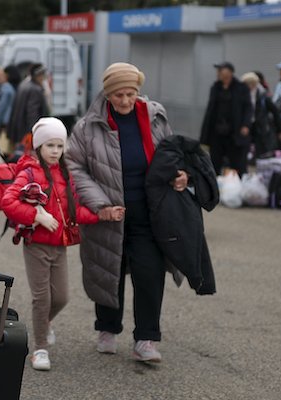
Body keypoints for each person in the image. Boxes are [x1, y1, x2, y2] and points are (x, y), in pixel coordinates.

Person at [66, 62, 189, 364]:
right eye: (118, 95)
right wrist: (100, 205)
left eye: (130, 94)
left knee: (150, 274)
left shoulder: (155, 116)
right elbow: (75, 167)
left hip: (149, 212)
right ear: (107, 95)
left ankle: (146, 339)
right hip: (109, 212)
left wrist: (179, 173)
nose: (124, 101)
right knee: (109, 271)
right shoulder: (87, 126)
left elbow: (172, 154)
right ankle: (107, 329)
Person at [1, 117, 111, 371]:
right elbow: (8, 203)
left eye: (59, 146)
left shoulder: (65, 173)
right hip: (36, 244)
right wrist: (36, 215)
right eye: (49, 145)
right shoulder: (28, 172)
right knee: (42, 299)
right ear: (38, 146)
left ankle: (43, 324)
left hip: (60, 245)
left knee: (61, 298)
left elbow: (72, 213)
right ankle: (40, 348)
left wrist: (102, 215)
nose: (55, 151)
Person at [200, 61, 253, 176]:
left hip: (234, 132)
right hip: (217, 132)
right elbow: (210, 110)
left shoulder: (241, 88)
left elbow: (248, 108)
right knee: (215, 163)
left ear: (229, 73)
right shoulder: (216, 88)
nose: (218, 73)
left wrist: (246, 125)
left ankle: (239, 187)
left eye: (220, 70)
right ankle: (215, 187)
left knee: (237, 164)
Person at [7, 63, 51, 160]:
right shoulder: (35, 89)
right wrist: (35, 131)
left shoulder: (24, 85)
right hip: (27, 132)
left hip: (19, 130)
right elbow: (32, 112)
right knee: (27, 159)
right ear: (40, 75)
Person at [241, 72, 281, 158]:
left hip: (261, 129)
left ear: (252, 84)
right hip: (248, 127)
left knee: (262, 153)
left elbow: (275, 111)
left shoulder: (263, 96)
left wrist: (279, 129)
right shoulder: (243, 96)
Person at [0, 65, 16, 135]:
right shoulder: (5, 87)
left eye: (1, 75)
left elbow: (2, 106)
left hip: (4, 121)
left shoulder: (6, 88)